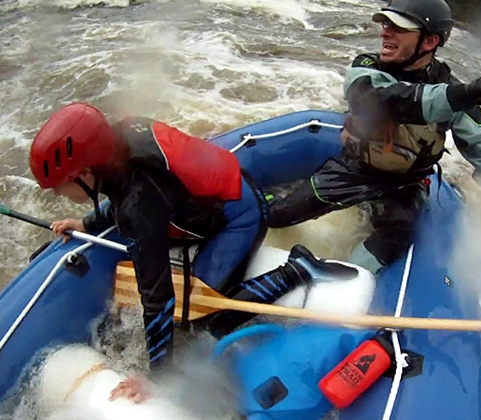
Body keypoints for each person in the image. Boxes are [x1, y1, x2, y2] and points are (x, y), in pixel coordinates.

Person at [29, 102, 360, 403]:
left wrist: (157, 378)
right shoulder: (119, 141)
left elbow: (157, 296)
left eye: (60, 185)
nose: (57, 193)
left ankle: (297, 269)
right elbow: (125, 192)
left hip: (239, 217)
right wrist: (87, 223)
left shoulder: (138, 200)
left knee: (202, 319)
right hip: (212, 196)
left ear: (86, 173)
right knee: (187, 310)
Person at [266, 0, 481, 274]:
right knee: (279, 215)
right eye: (385, 24)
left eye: (398, 28)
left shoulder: (456, 96)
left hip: (405, 183)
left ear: (429, 42)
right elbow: (390, 101)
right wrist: (466, 94)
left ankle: (341, 279)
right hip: (356, 168)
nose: (385, 32)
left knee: (400, 232)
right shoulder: (367, 68)